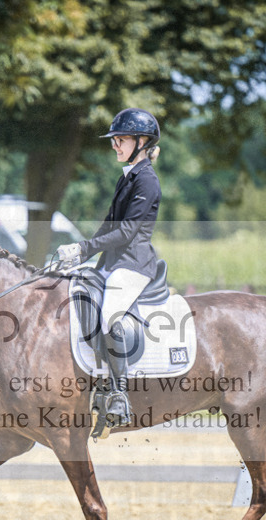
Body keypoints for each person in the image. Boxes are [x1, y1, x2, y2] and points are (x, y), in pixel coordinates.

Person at [56, 107, 162, 430]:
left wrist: (84, 248)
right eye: (113, 140)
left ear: (142, 142)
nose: (114, 145)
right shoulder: (127, 177)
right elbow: (108, 225)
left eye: (121, 139)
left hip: (134, 264)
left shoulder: (147, 181)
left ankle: (119, 393)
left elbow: (127, 232)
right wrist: (80, 254)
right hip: (112, 263)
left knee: (109, 315)